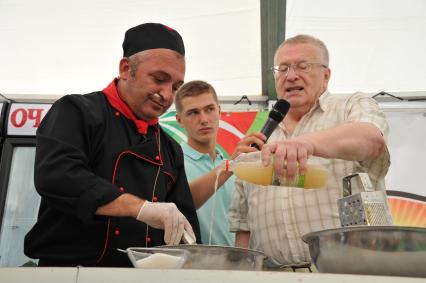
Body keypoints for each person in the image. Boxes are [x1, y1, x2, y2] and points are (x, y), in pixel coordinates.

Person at [24, 23, 201, 267]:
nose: (168, 95)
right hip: (67, 274)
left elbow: (187, 229)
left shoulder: (169, 147)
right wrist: (139, 208)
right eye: (159, 79)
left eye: (176, 87)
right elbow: (57, 176)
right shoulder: (77, 112)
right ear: (126, 69)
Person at [229, 34, 390, 270]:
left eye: (302, 66)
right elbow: (244, 224)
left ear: (326, 75)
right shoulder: (260, 136)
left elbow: (372, 139)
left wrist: (307, 143)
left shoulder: (350, 106)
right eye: (282, 69)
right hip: (274, 275)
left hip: (349, 273)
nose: (291, 75)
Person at [175, 80, 263, 246]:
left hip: (239, 265)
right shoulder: (173, 163)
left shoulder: (236, 167)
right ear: (179, 120)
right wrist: (230, 166)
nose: (204, 119)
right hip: (195, 267)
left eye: (209, 109)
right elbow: (181, 202)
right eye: (193, 112)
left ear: (219, 111)